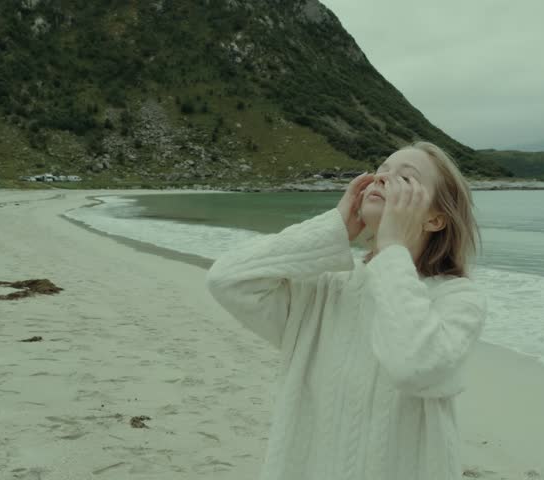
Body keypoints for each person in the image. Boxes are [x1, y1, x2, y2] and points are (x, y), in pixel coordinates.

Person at [205, 141, 487, 480]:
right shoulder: (325, 286)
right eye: (382, 168)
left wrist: (392, 249)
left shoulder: (458, 298)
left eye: (405, 178)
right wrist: (334, 227)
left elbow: (416, 367)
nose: (383, 178)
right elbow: (226, 279)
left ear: (435, 219)